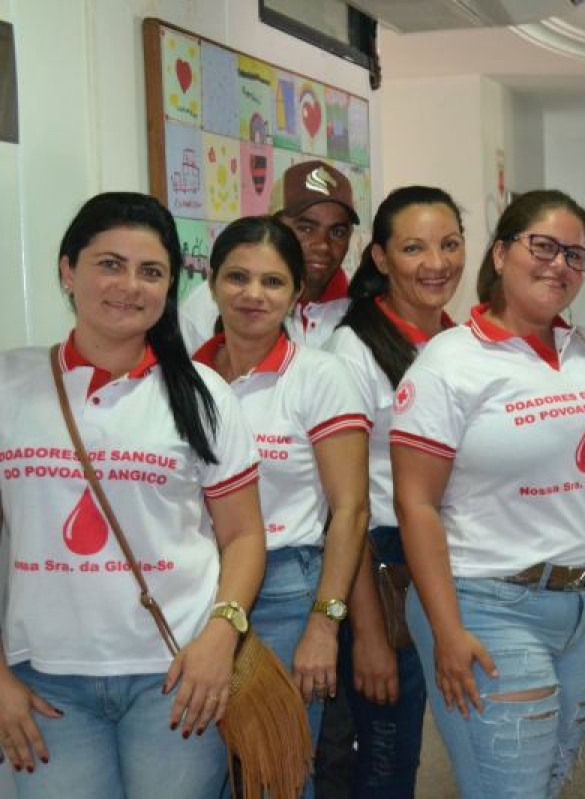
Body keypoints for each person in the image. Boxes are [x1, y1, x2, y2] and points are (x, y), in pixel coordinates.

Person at [0, 192, 265, 798]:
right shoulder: (11, 384)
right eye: (109, 264)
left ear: (170, 286)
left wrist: (220, 638)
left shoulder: (204, 395)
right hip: (45, 679)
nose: (129, 286)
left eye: (150, 271)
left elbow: (244, 535)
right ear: (68, 270)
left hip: (176, 675)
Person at [392, 189, 585, 798]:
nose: (559, 264)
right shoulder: (449, 363)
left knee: (546, 784)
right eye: (542, 246)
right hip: (487, 607)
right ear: (499, 254)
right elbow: (415, 504)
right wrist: (446, 630)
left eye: (575, 254)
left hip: (584, 608)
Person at [192, 215, 370, 798]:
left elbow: (351, 510)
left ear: (295, 294)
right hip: (192, 592)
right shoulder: (183, 377)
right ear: (212, 283)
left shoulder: (320, 376)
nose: (253, 294)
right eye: (237, 277)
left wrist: (324, 623)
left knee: (279, 776)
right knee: (199, 773)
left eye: (272, 282)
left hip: (286, 593)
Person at [324, 185, 464, 797]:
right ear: (380, 257)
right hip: (383, 568)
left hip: (448, 555)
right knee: (387, 758)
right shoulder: (353, 350)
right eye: (414, 248)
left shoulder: (458, 342)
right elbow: (344, 504)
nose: (436, 263)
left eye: (449, 244)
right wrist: (370, 635)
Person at [180, 160, 360, 352]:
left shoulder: (359, 309)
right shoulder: (213, 303)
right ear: (274, 225)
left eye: (338, 232)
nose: (323, 245)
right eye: (306, 228)